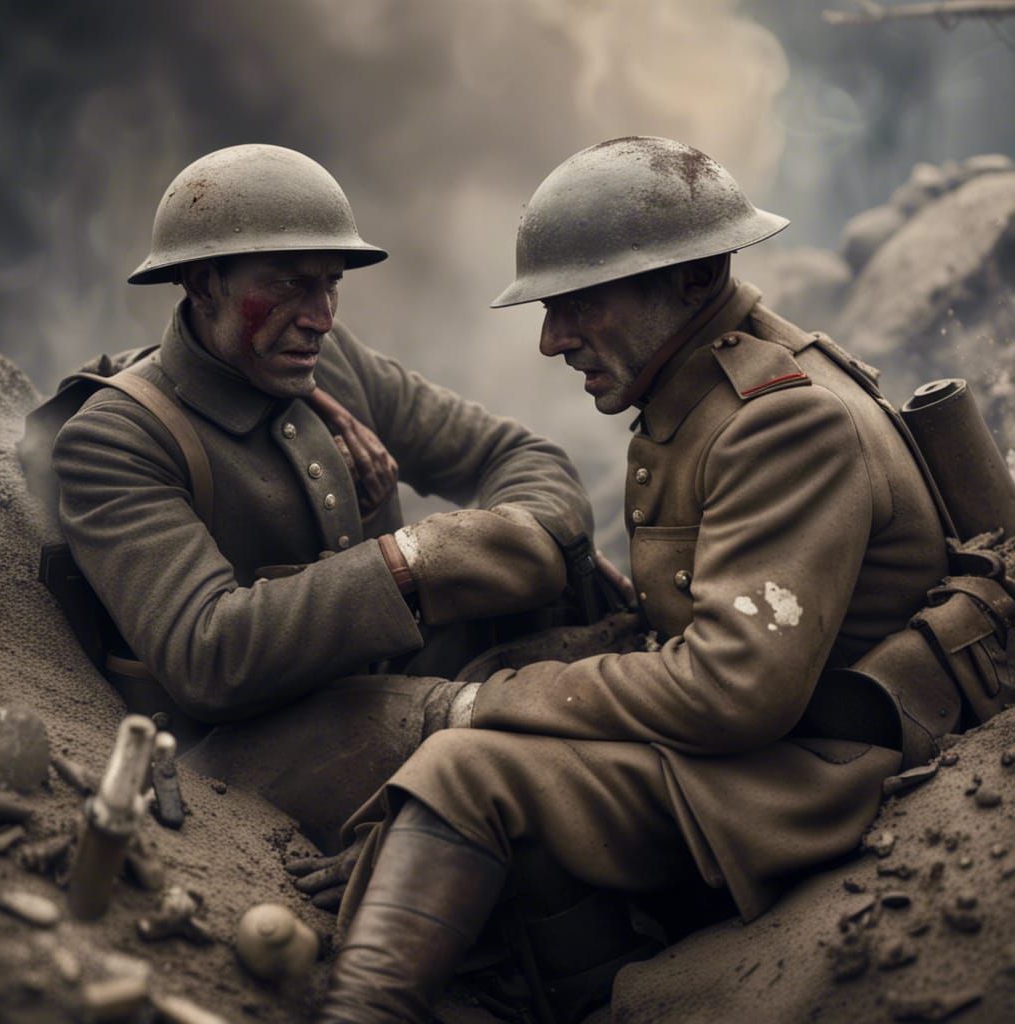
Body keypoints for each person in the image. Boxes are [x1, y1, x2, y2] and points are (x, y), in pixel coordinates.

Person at [316, 137, 959, 1023]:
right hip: (771, 736)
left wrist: (490, 704)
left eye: (580, 303)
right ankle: (573, 984)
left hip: (823, 768)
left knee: (470, 766)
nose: (551, 340)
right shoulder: (700, 386)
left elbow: (735, 691)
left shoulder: (782, 424)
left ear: (693, 279)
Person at [49, 143, 601, 848]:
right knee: (508, 753)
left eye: (331, 284)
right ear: (201, 280)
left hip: (387, 696)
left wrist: (530, 535)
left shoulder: (329, 363)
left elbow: (517, 454)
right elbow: (205, 654)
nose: (322, 316)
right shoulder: (118, 438)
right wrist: (407, 561)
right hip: (237, 760)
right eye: (288, 285)